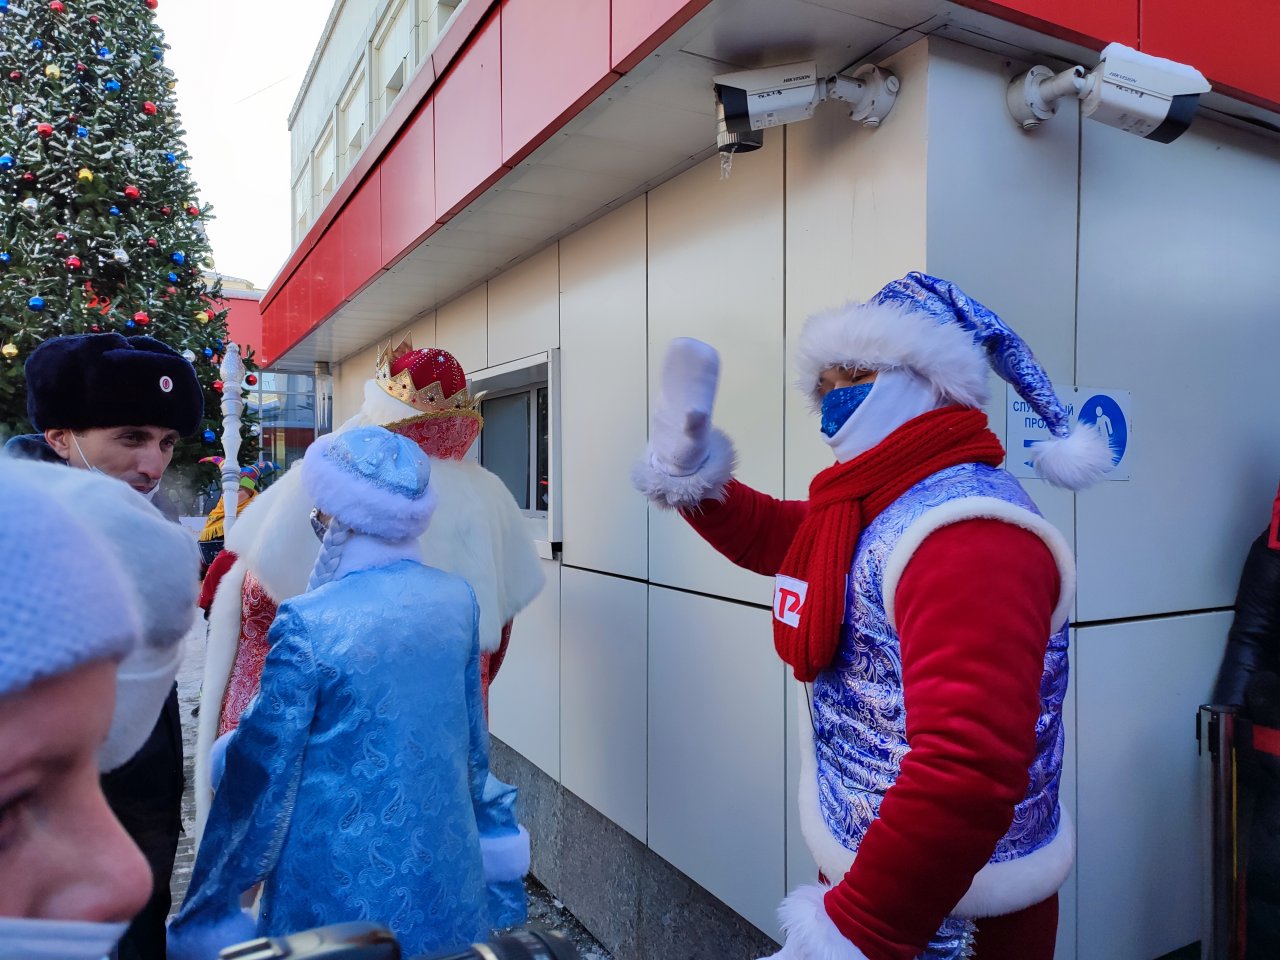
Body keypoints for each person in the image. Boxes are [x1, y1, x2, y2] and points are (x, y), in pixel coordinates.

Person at [633, 273, 1113, 960]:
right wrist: (685, 467)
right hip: (880, 880)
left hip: (948, 916)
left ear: (927, 381)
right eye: (822, 386)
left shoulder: (967, 529)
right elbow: (779, 537)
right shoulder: (873, 506)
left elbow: (968, 769)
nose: (832, 400)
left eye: (852, 375)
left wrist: (854, 928)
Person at [167, 427, 530, 960]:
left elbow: (263, 769)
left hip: (335, 877)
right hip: (442, 864)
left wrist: (216, 901)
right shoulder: (458, 600)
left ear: (338, 515)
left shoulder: (308, 621)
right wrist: (496, 850)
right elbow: (474, 748)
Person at [193, 338, 543, 838]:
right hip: (442, 742)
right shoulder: (491, 499)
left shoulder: (331, 480)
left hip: (330, 748)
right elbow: (496, 643)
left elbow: (258, 625)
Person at [3, 332, 205, 960]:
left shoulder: (142, 514)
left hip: (146, 779)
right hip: (43, 831)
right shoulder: (15, 542)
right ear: (61, 437)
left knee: (143, 915)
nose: (154, 466)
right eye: (131, 437)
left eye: (167, 443)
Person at [1213, 498, 1280, 959]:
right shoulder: (1274, 545)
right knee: (1270, 886)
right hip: (1275, 746)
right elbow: (1251, 634)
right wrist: (1227, 727)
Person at [194, 459, 277, 578]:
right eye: (229, 491)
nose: (232, 494)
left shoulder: (258, 511)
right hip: (214, 572)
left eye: (239, 490)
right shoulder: (218, 510)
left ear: (250, 492)